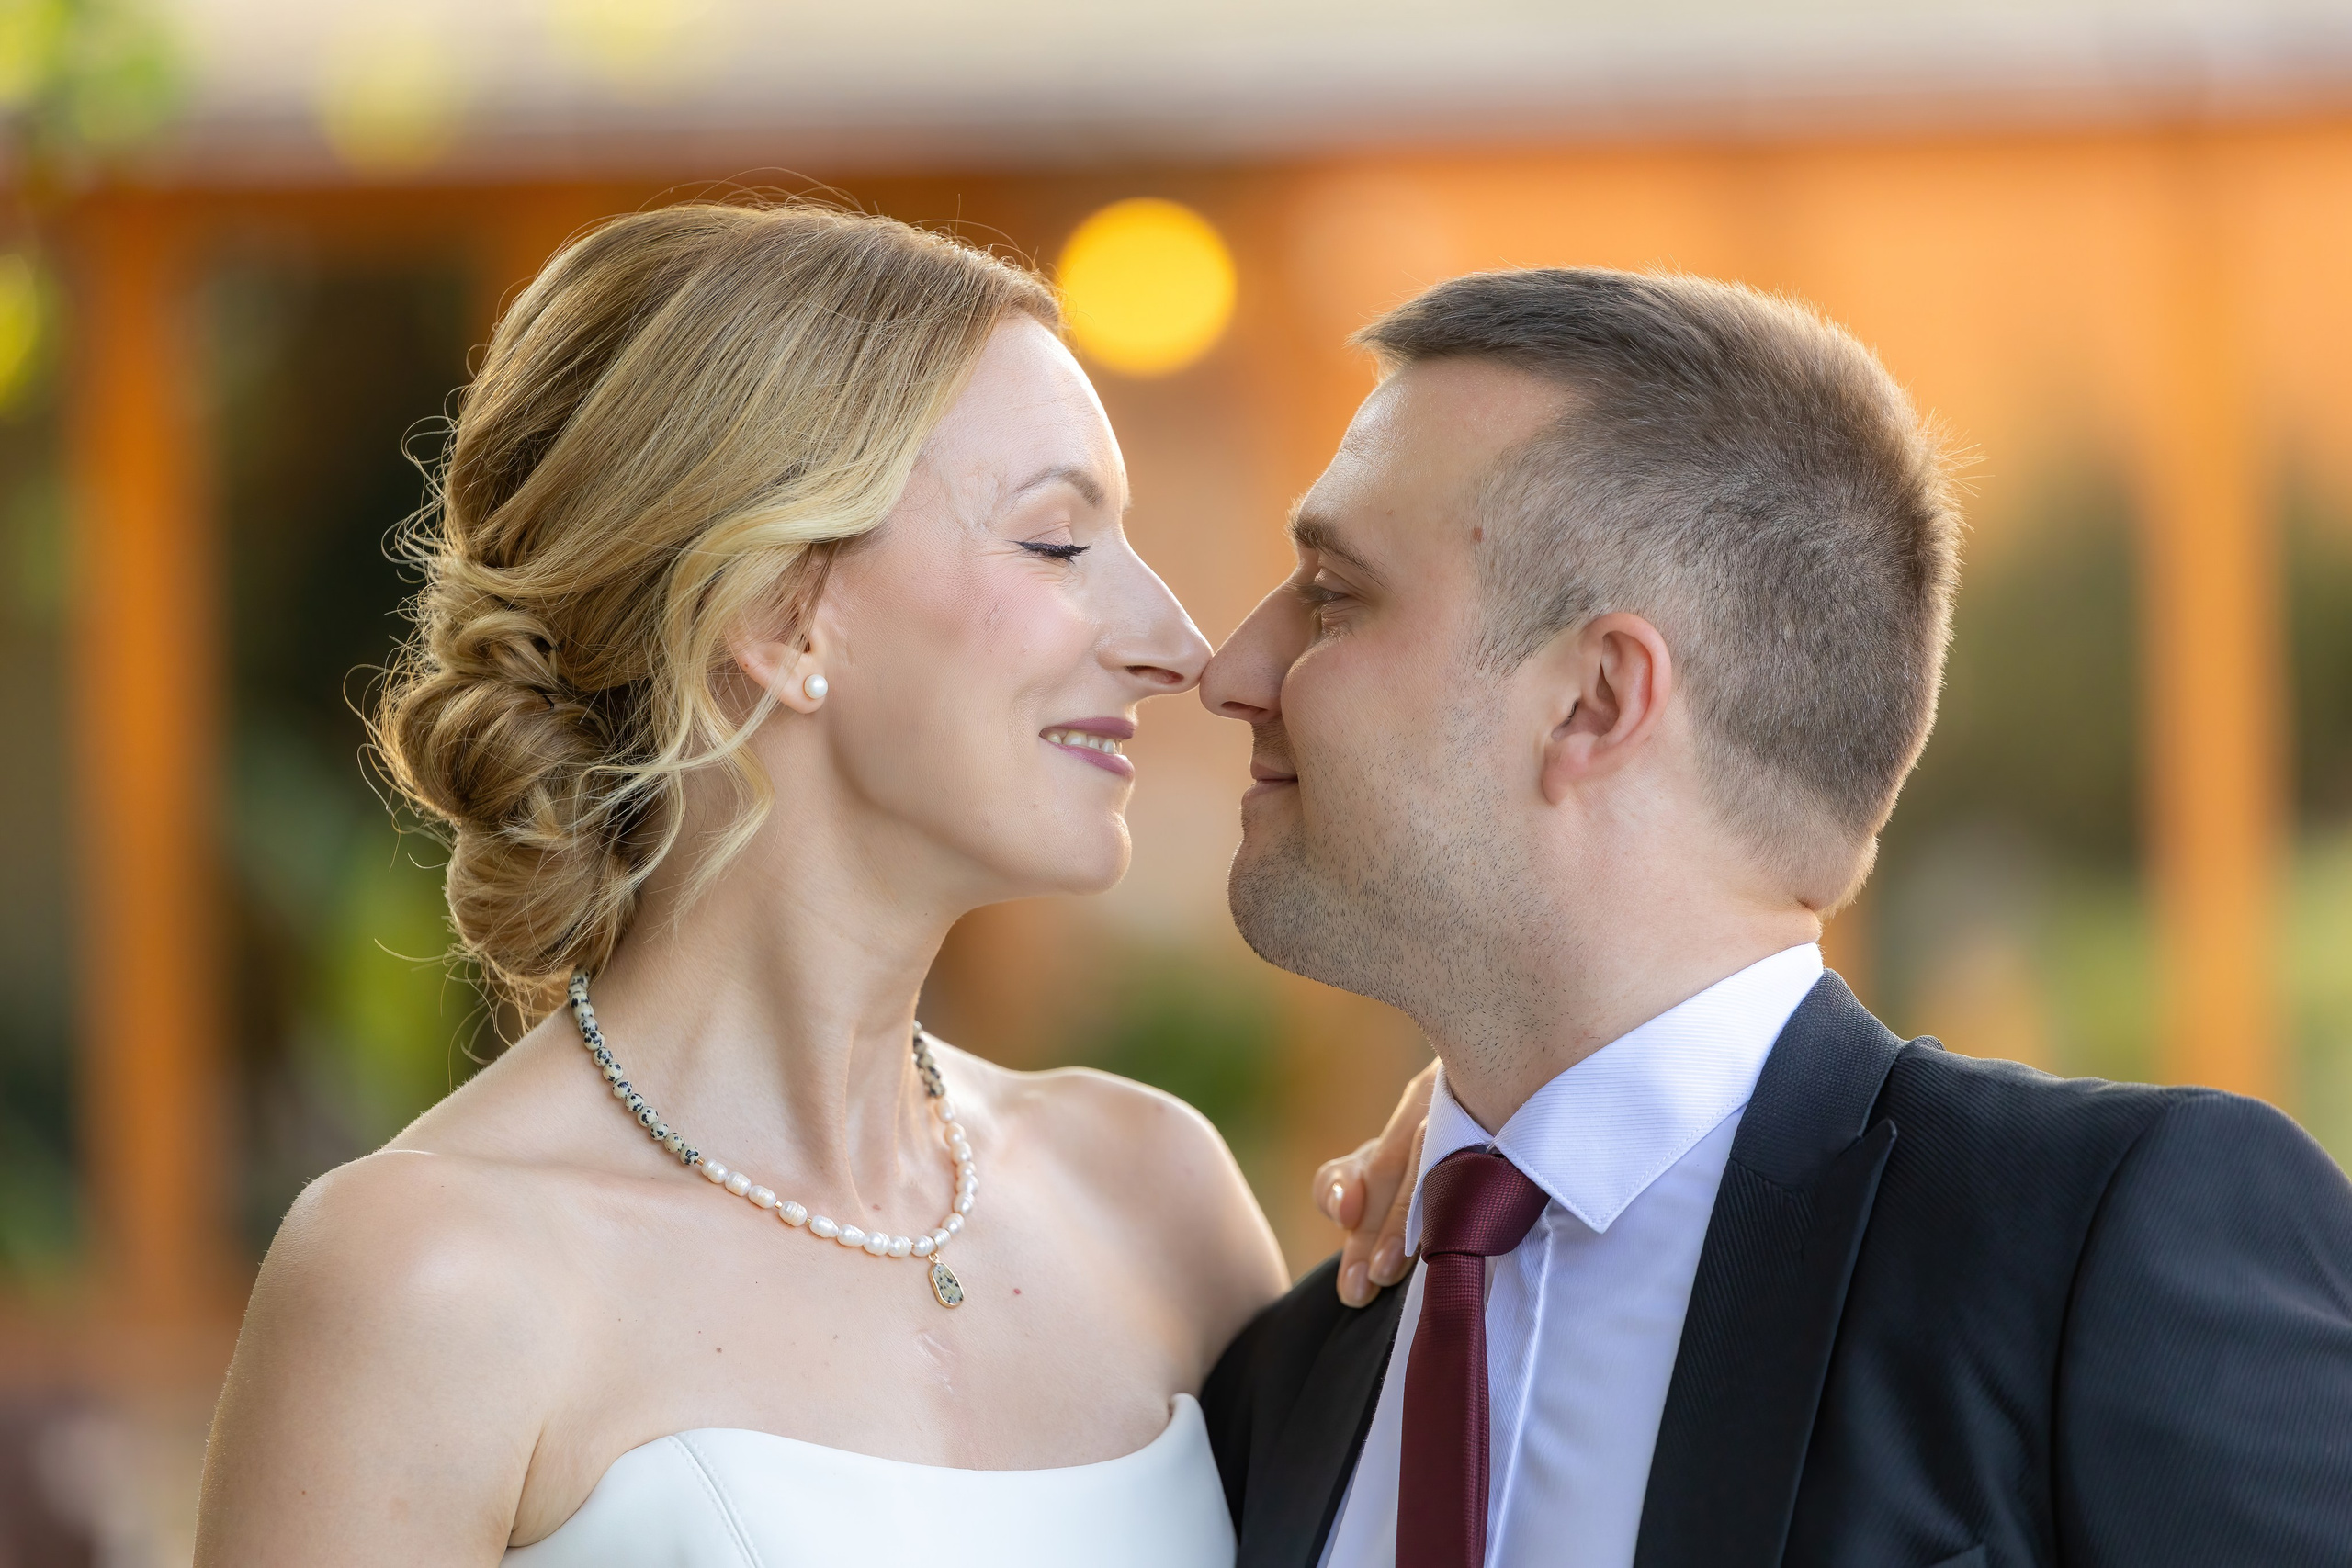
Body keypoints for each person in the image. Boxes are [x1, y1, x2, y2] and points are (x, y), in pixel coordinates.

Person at [196, 199, 1375, 1567]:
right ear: (773, 614)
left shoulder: (1155, 1193)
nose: (1176, 641)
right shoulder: (428, 1275)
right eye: (1059, 542)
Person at [1197, 267, 2352, 1568]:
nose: (1229, 671)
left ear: (1593, 700)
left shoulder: (2092, 1254)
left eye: (1334, 594)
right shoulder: (1282, 1378)